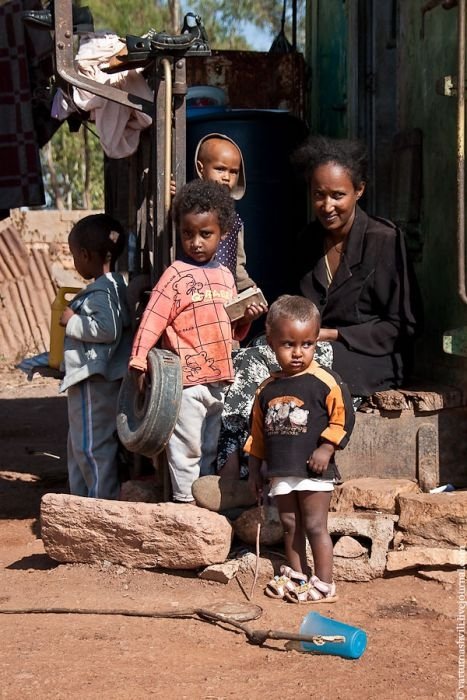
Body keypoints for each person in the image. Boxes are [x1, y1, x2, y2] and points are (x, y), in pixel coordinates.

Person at [128, 180, 266, 503]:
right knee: (184, 446)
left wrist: (246, 319)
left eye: (206, 234)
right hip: (186, 385)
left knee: (208, 446)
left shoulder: (226, 277)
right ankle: (184, 503)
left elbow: (229, 330)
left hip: (219, 379)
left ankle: (203, 502)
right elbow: (152, 319)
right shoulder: (175, 275)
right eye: (188, 234)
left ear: (223, 233)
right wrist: (138, 361)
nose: (196, 242)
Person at [245, 295, 354, 603]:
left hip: (312, 469)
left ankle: (324, 583)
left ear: (316, 341)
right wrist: (255, 470)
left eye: (306, 344)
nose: (297, 353)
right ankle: (297, 575)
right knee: (290, 525)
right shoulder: (266, 389)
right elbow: (257, 434)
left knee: (316, 525)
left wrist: (327, 448)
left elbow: (343, 417)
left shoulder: (324, 381)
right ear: (271, 342)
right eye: (288, 344)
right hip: (281, 470)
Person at [293, 134, 419, 398]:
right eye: (319, 195)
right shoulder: (307, 240)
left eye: (338, 195)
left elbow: (401, 327)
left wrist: (334, 335)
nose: (327, 206)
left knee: (294, 371)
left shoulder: (385, 240)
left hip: (372, 358)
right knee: (256, 356)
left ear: (359, 190)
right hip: (309, 349)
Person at [59, 214, 132, 500]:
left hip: (94, 382)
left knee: (92, 447)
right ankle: (80, 500)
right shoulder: (114, 287)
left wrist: (72, 322)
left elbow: (108, 328)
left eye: (74, 255)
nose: (75, 261)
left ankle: (100, 504)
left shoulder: (102, 291)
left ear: (86, 255)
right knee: (80, 444)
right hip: (93, 381)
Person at [194, 133, 256, 291]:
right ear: (201, 169)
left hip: (225, 296)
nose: (227, 177)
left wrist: (248, 289)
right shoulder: (189, 211)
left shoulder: (234, 219)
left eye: (233, 172)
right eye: (220, 169)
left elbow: (238, 264)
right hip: (195, 292)